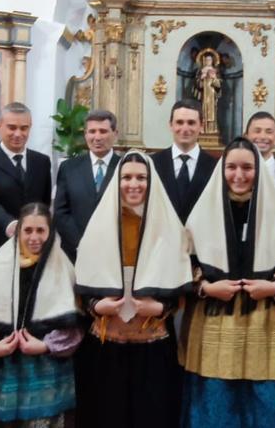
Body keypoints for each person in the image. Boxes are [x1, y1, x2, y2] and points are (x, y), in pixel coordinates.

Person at [180, 138, 275, 428]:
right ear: (221, 170)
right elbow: (182, 268)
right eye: (231, 167)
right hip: (215, 324)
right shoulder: (203, 212)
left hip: (268, 323)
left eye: (247, 167)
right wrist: (206, 287)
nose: (239, 175)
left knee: (267, 402)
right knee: (217, 404)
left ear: (259, 170)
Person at [74, 152, 194, 428]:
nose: (134, 184)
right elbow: (84, 279)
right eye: (126, 177)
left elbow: (181, 281)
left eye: (142, 178)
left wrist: (162, 308)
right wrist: (95, 306)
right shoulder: (100, 224)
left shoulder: (169, 227)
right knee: (106, 412)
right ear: (117, 181)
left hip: (152, 340)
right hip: (106, 340)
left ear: (152, 183)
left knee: (151, 412)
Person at [0, 203, 81, 428]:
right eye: (28, 230)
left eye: (41, 231)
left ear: (50, 233)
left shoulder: (63, 269)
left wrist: (47, 345)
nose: (34, 237)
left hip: (44, 366)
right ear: (18, 231)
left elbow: (75, 325)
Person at [0, 102, 53, 260]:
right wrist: (12, 225)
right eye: (12, 127)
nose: (18, 134)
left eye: (24, 128)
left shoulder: (42, 162)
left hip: (34, 246)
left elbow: (44, 203)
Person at [53, 109, 121, 261]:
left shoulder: (125, 167)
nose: (97, 137)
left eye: (103, 131)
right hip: (75, 252)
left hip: (114, 253)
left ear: (115, 134)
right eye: (92, 131)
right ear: (85, 134)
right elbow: (60, 212)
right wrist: (81, 243)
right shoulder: (68, 168)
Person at [151, 99, 218, 223]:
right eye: (179, 122)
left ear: (201, 126)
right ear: (171, 125)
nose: (185, 128)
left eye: (191, 123)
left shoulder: (215, 166)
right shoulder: (153, 163)